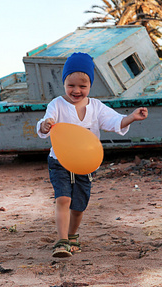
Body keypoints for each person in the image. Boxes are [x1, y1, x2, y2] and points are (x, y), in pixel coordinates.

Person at [36, 52, 148, 258]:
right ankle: (61, 242)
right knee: (62, 199)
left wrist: (131, 117)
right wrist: (45, 126)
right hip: (59, 161)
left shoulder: (96, 107)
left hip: (86, 164)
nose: (76, 90)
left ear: (90, 85)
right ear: (64, 83)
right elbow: (46, 122)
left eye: (82, 86)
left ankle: (71, 236)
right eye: (71, 85)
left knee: (78, 207)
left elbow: (115, 122)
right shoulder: (57, 104)